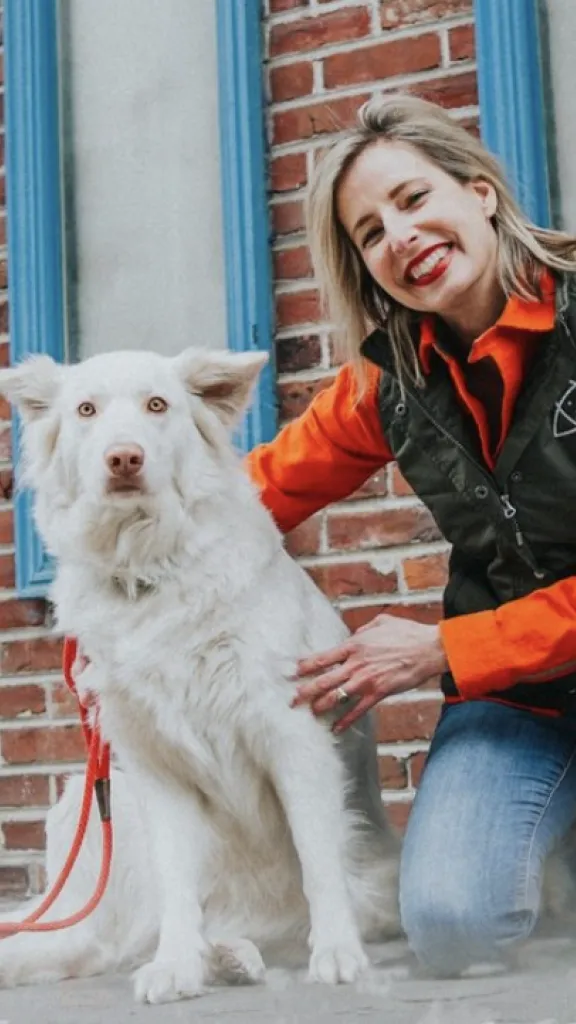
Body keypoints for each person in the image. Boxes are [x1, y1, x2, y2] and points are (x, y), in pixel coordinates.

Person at [246, 93, 576, 976]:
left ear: (480, 194)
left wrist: (442, 647)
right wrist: (117, 592)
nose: (399, 235)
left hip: (485, 649)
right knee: (449, 921)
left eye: (413, 198)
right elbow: (249, 497)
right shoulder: (386, 386)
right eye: (368, 231)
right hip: (521, 699)